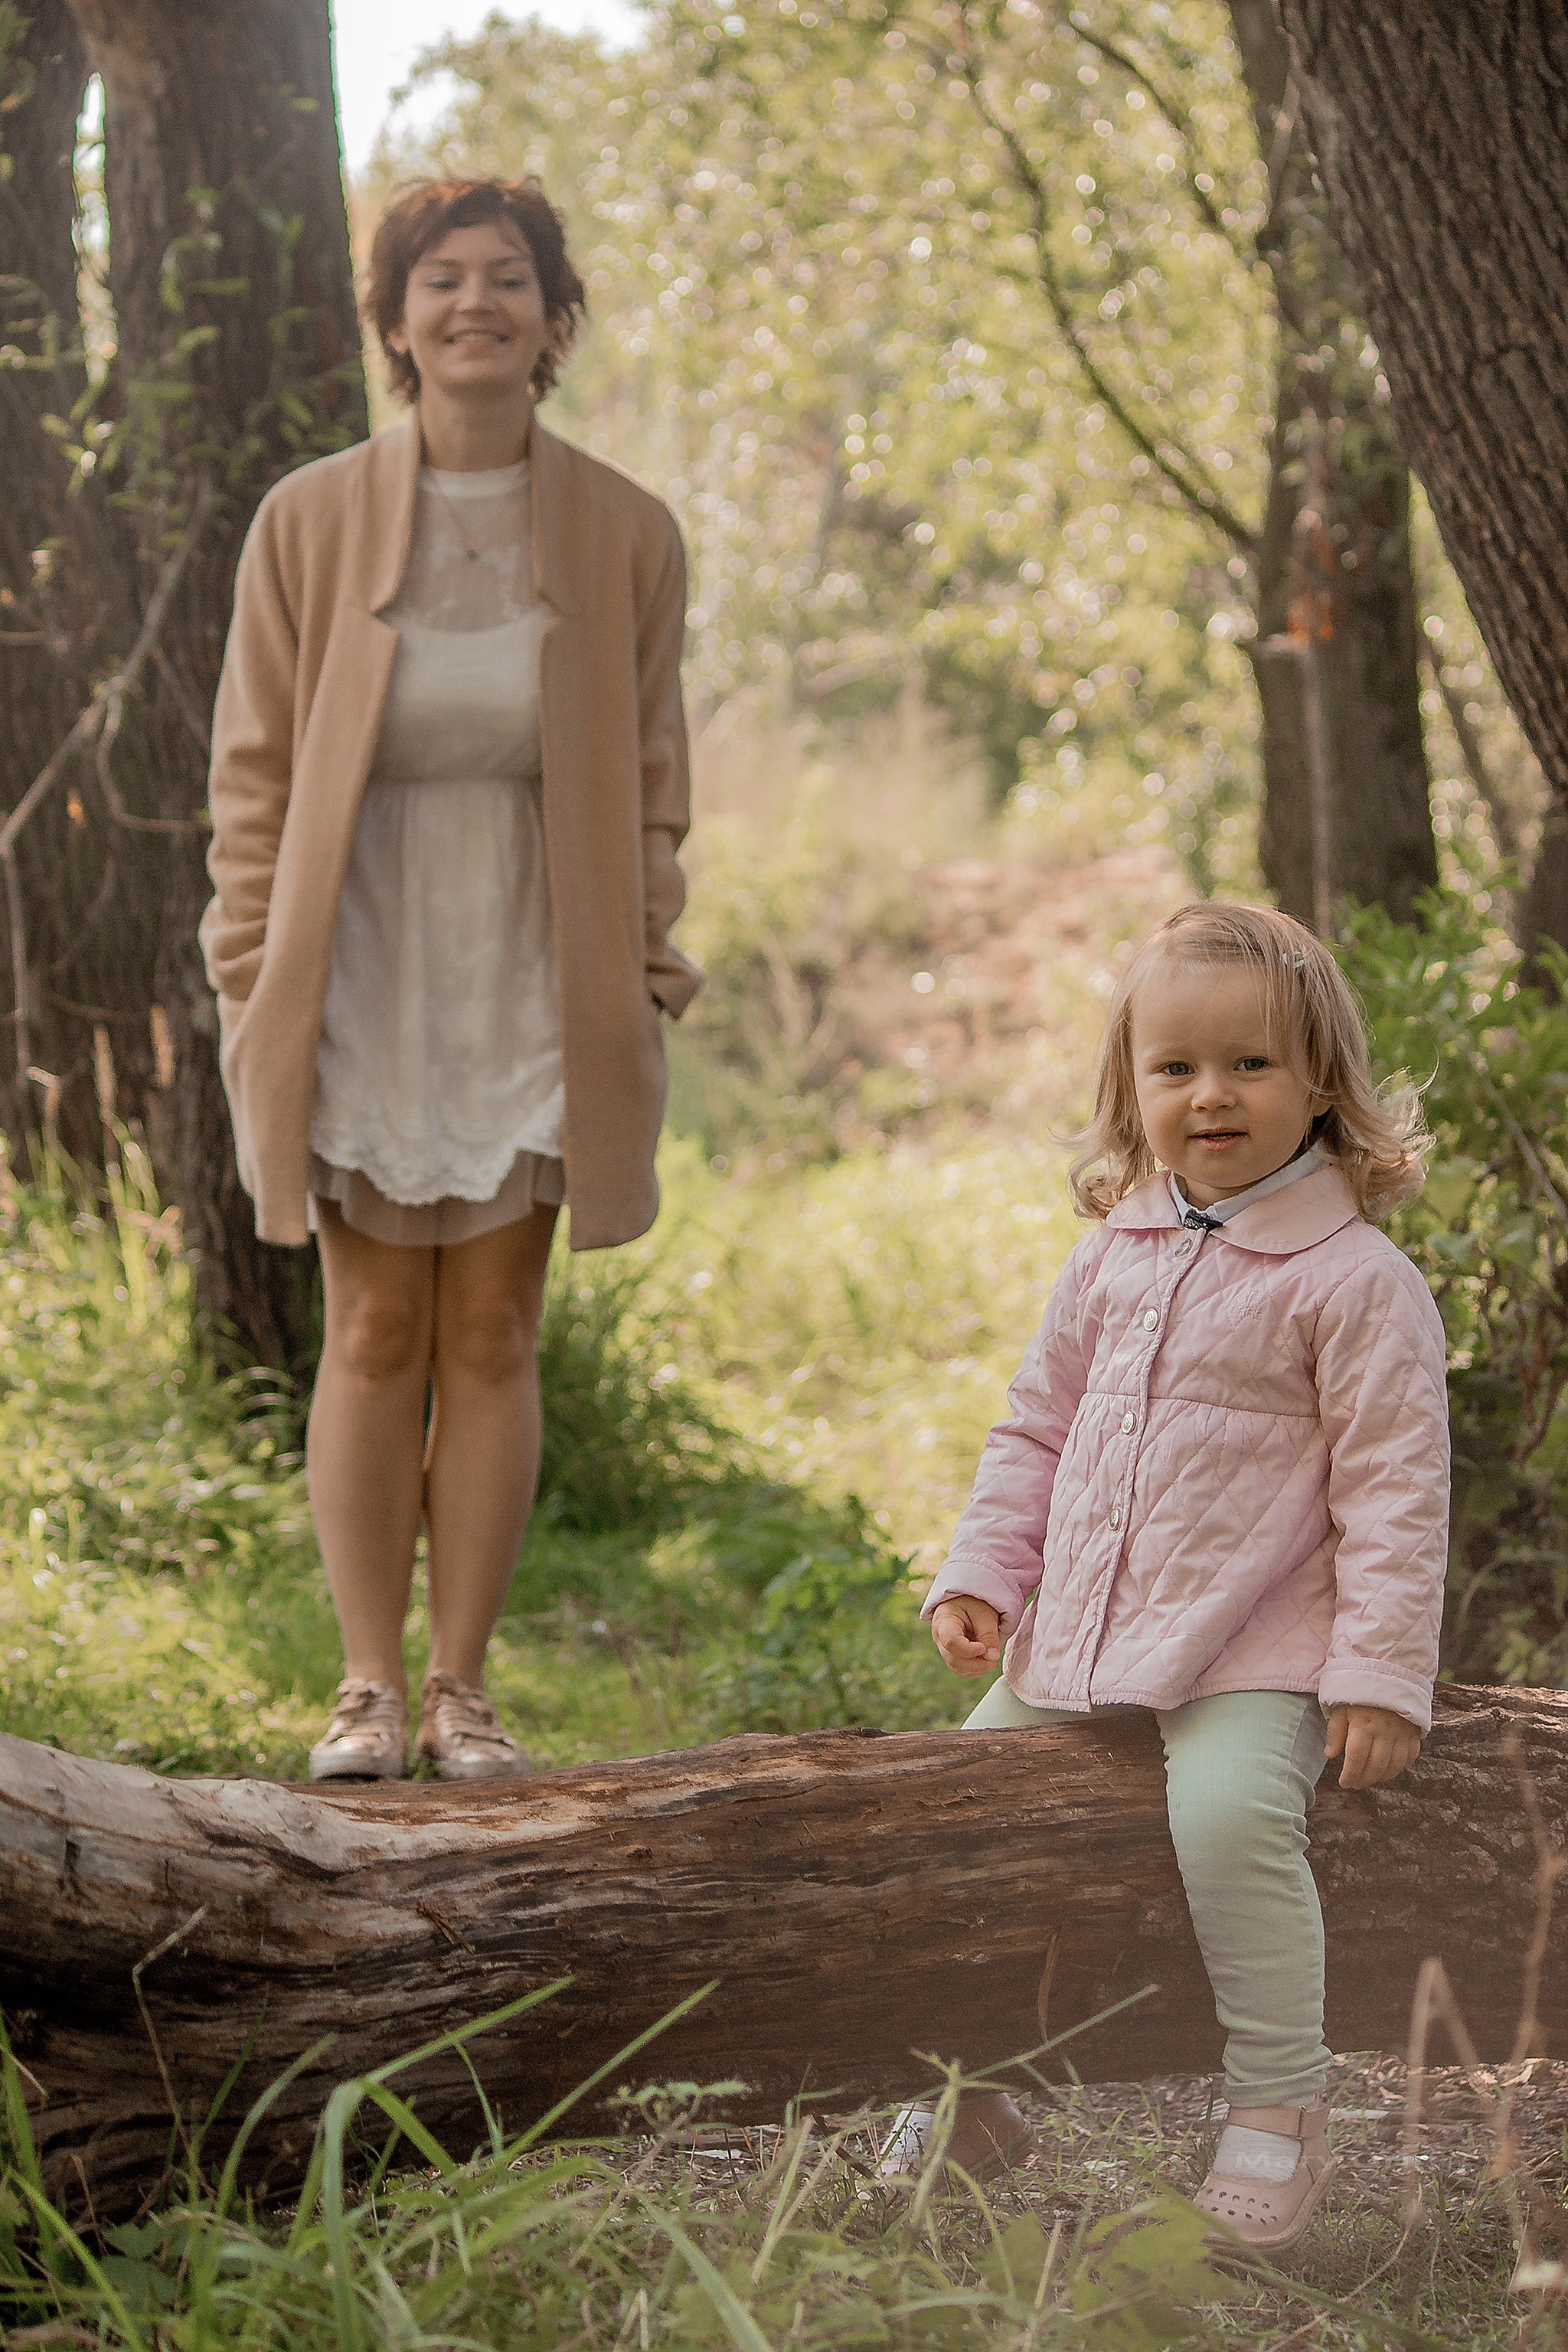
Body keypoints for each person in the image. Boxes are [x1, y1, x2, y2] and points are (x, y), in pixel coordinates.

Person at [200, 178, 700, 1783]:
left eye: (505, 281)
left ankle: (464, 1690)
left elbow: (652, 775)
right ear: (396, 320)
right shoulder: (310, 517)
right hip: (358, 963)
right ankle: (361, 1687)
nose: (470, 302)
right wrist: (244, 965)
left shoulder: (625, 530)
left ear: (553, 327)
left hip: (533, 968)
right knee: (368, 1329)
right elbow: (255, 771)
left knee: (492, 1330)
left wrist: (639, 970)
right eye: (438, 279)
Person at [880, 901, 1449, 2252]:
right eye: (1177, 1067)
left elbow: (1397, 1493)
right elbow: (1036, 1426)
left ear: (1322, 1085)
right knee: (959, 1817)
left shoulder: (1354, 1281)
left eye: (1252, 1065)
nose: (1213, 1095)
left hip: (1258, 1645)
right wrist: (986, 1573)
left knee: (1230, 1824)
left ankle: (1278, 2108)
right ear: (1130, 1091)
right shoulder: (1112, 1254)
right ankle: (972, 2087)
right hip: (1083, 1637)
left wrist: (1377, 1677)